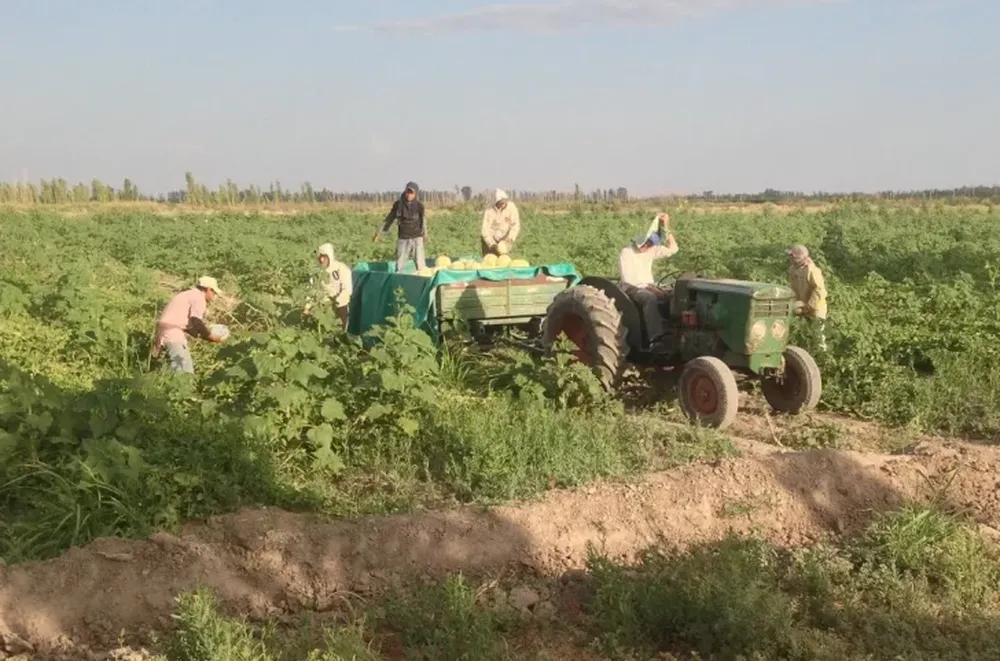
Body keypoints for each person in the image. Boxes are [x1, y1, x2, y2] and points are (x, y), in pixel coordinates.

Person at [618, 212, 679, 345]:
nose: (648, 247)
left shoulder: (652, 249)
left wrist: (666, 227)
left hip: (649, 285)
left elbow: (674, 249)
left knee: (674, 294)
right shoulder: (627, 253)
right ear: (640, 241)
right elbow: (629, 280)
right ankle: (655, 338)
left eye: (651, 244)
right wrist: (650, 288)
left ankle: (672, 332)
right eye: (647, 244)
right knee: (649, 298)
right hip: (632, 288)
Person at [153, 276, 224, 374]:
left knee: (169, 369)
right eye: (214, 292)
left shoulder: (187, 294)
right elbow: (196, 321)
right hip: (173, 334)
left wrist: (201, 335)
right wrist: (210, 336)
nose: (214, 295)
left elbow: (189, 326)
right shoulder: (199, 298)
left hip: (165, 332)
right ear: (208, 289)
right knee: (184, 370)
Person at [373, 181, 427, 272]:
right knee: (400, 265)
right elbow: (389, 219)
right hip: (403, 237)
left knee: (420, 264)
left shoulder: (419, 206)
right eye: (408, 192)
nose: (409, 195)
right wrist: (378, 232)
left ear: (416, 194)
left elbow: (423, 221)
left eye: (411, 193)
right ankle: (398, 282)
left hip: (417, 237)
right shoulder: (398, 205)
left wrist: (425, 235)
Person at [786, 244, 828, 351]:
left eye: (792, 256)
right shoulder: (792, 270)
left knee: (817, 336)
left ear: (798, 257)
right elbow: (793, 289)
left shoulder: (812, 270)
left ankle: (822, 358)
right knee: (804, 335)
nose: (789, 258)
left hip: (816, 308)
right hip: (802, 307)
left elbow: (819, 290)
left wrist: (808, 306)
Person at [305, 242, 352, 329]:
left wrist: (335, 301)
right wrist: (307, 307)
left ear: (329, 256)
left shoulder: (341, 268)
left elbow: (347, 290)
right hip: (321, 306)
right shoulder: (316, 272)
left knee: (338, 331)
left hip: (339, 306)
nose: (322, 260)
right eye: (320, 257)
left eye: (324, 257)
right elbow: (311, 290)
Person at [480, 188, 521, 257]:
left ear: (506, 200)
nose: (501, 205)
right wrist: (491, 244)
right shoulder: (489, 210)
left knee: (503, 260)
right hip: (491, 239)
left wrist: (510, 238)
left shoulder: (511, 208)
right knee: (490, 260)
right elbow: (485, 229)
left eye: (503, 203)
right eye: (499, 204)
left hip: (504, 239)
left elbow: (515, 225)